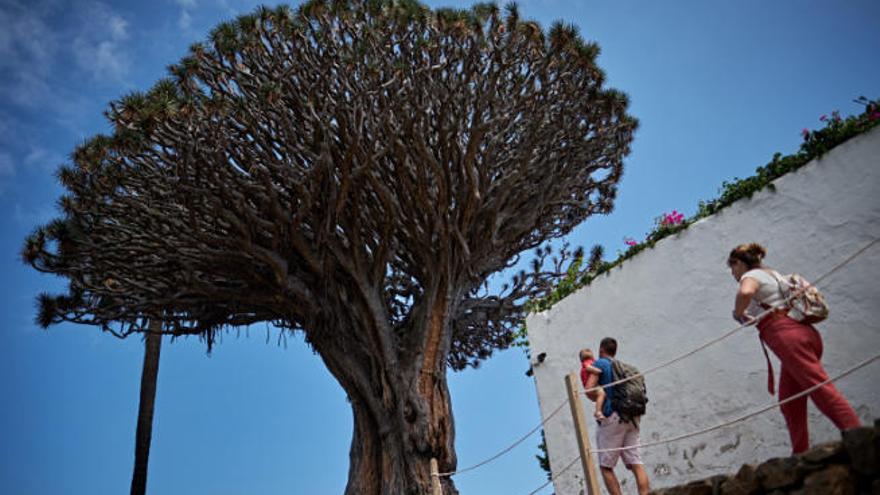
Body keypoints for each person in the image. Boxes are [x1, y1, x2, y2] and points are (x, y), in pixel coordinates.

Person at [728, 242, 861, 454]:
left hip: (786, 336)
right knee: (790, 400)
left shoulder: (750, 276)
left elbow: (745, 293)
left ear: (739, 263)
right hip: (805, 333)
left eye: (732, 267)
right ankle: (800, 453)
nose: (732, 273)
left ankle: (858, 435)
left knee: (819, 387)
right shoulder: (774, 275)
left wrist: (738, 313)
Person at [592, 337, 650, 495]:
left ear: (601, 350)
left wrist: (597, 396)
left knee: (606, 467)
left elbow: (589, 389)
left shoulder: (600, 363)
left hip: (614, 416)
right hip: (633, 417)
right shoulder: (626, 368)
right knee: (636, 463)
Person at [578, 348, 607, 420]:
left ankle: (599, 410)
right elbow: (588, 368)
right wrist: (598, 371)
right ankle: (598, 412)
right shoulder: (588, 362)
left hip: (589, 390)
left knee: (601, 397)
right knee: (602, 393)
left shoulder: (585, 364)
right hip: (590, 387)